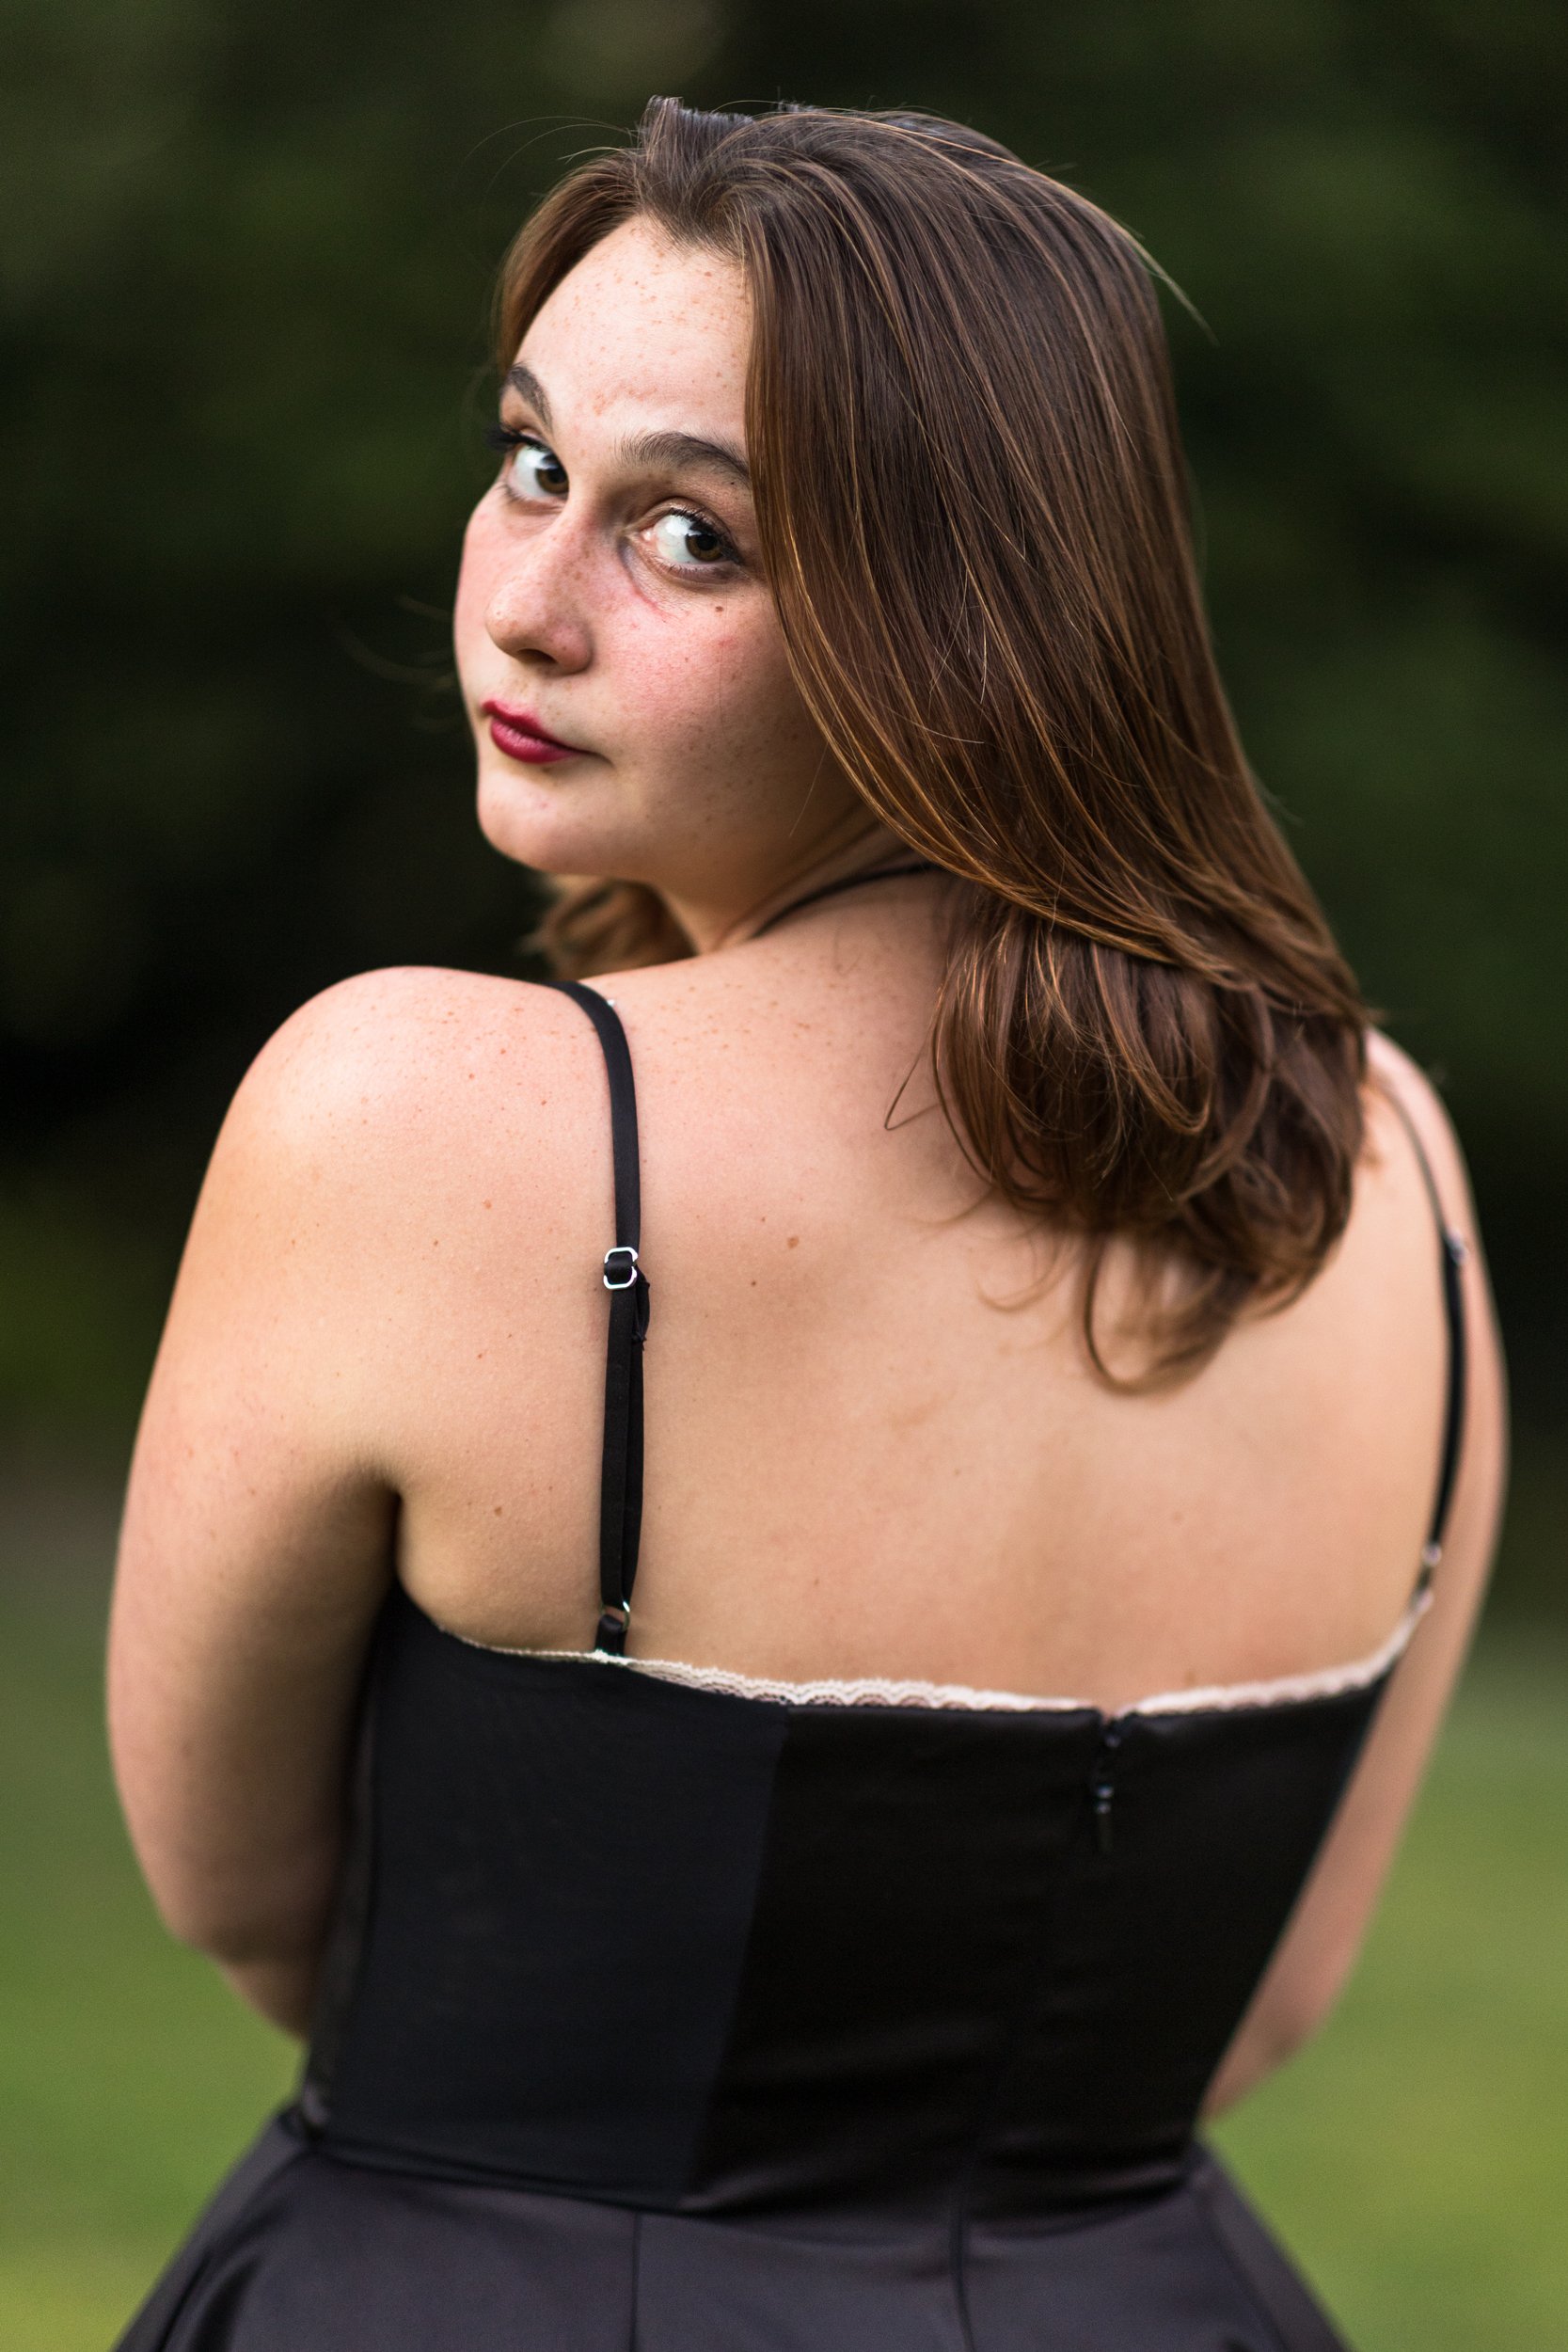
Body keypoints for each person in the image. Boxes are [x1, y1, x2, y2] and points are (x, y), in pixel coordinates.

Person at [107, 97, 1506, 2351]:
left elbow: (243, 1890)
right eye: (533, 461)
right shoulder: (1396, 1162)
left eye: (692, 537)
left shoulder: (420, 1117)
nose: (529, 597)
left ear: (975, 612)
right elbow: (1271, 2003)